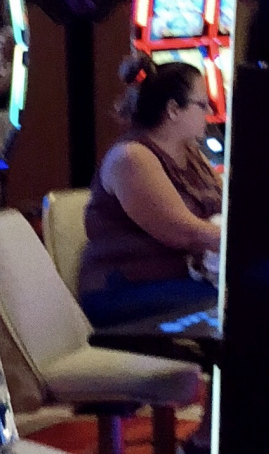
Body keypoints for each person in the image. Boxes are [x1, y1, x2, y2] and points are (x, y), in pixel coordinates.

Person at [77, 58, 223, 329]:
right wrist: (251, 244)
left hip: (176, 280)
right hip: (123, 288)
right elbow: (184, 233)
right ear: (173, 110)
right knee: (240, 299)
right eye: (202, 104)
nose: (211, 110)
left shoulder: (189, 152)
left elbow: (224, 204)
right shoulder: (132, 157)